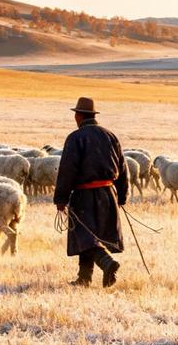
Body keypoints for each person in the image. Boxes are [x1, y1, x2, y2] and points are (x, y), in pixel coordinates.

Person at [53, 97, 129, 288]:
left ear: (78, 116)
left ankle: (107, 263)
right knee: (90, 236)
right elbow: (123, 167)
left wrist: (61, 198)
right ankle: (84, 278)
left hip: (85, 195)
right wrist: (122, 195)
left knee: (84, 234)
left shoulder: (75, 138)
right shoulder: (110, 135)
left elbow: (67, 169)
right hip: (108, 193)